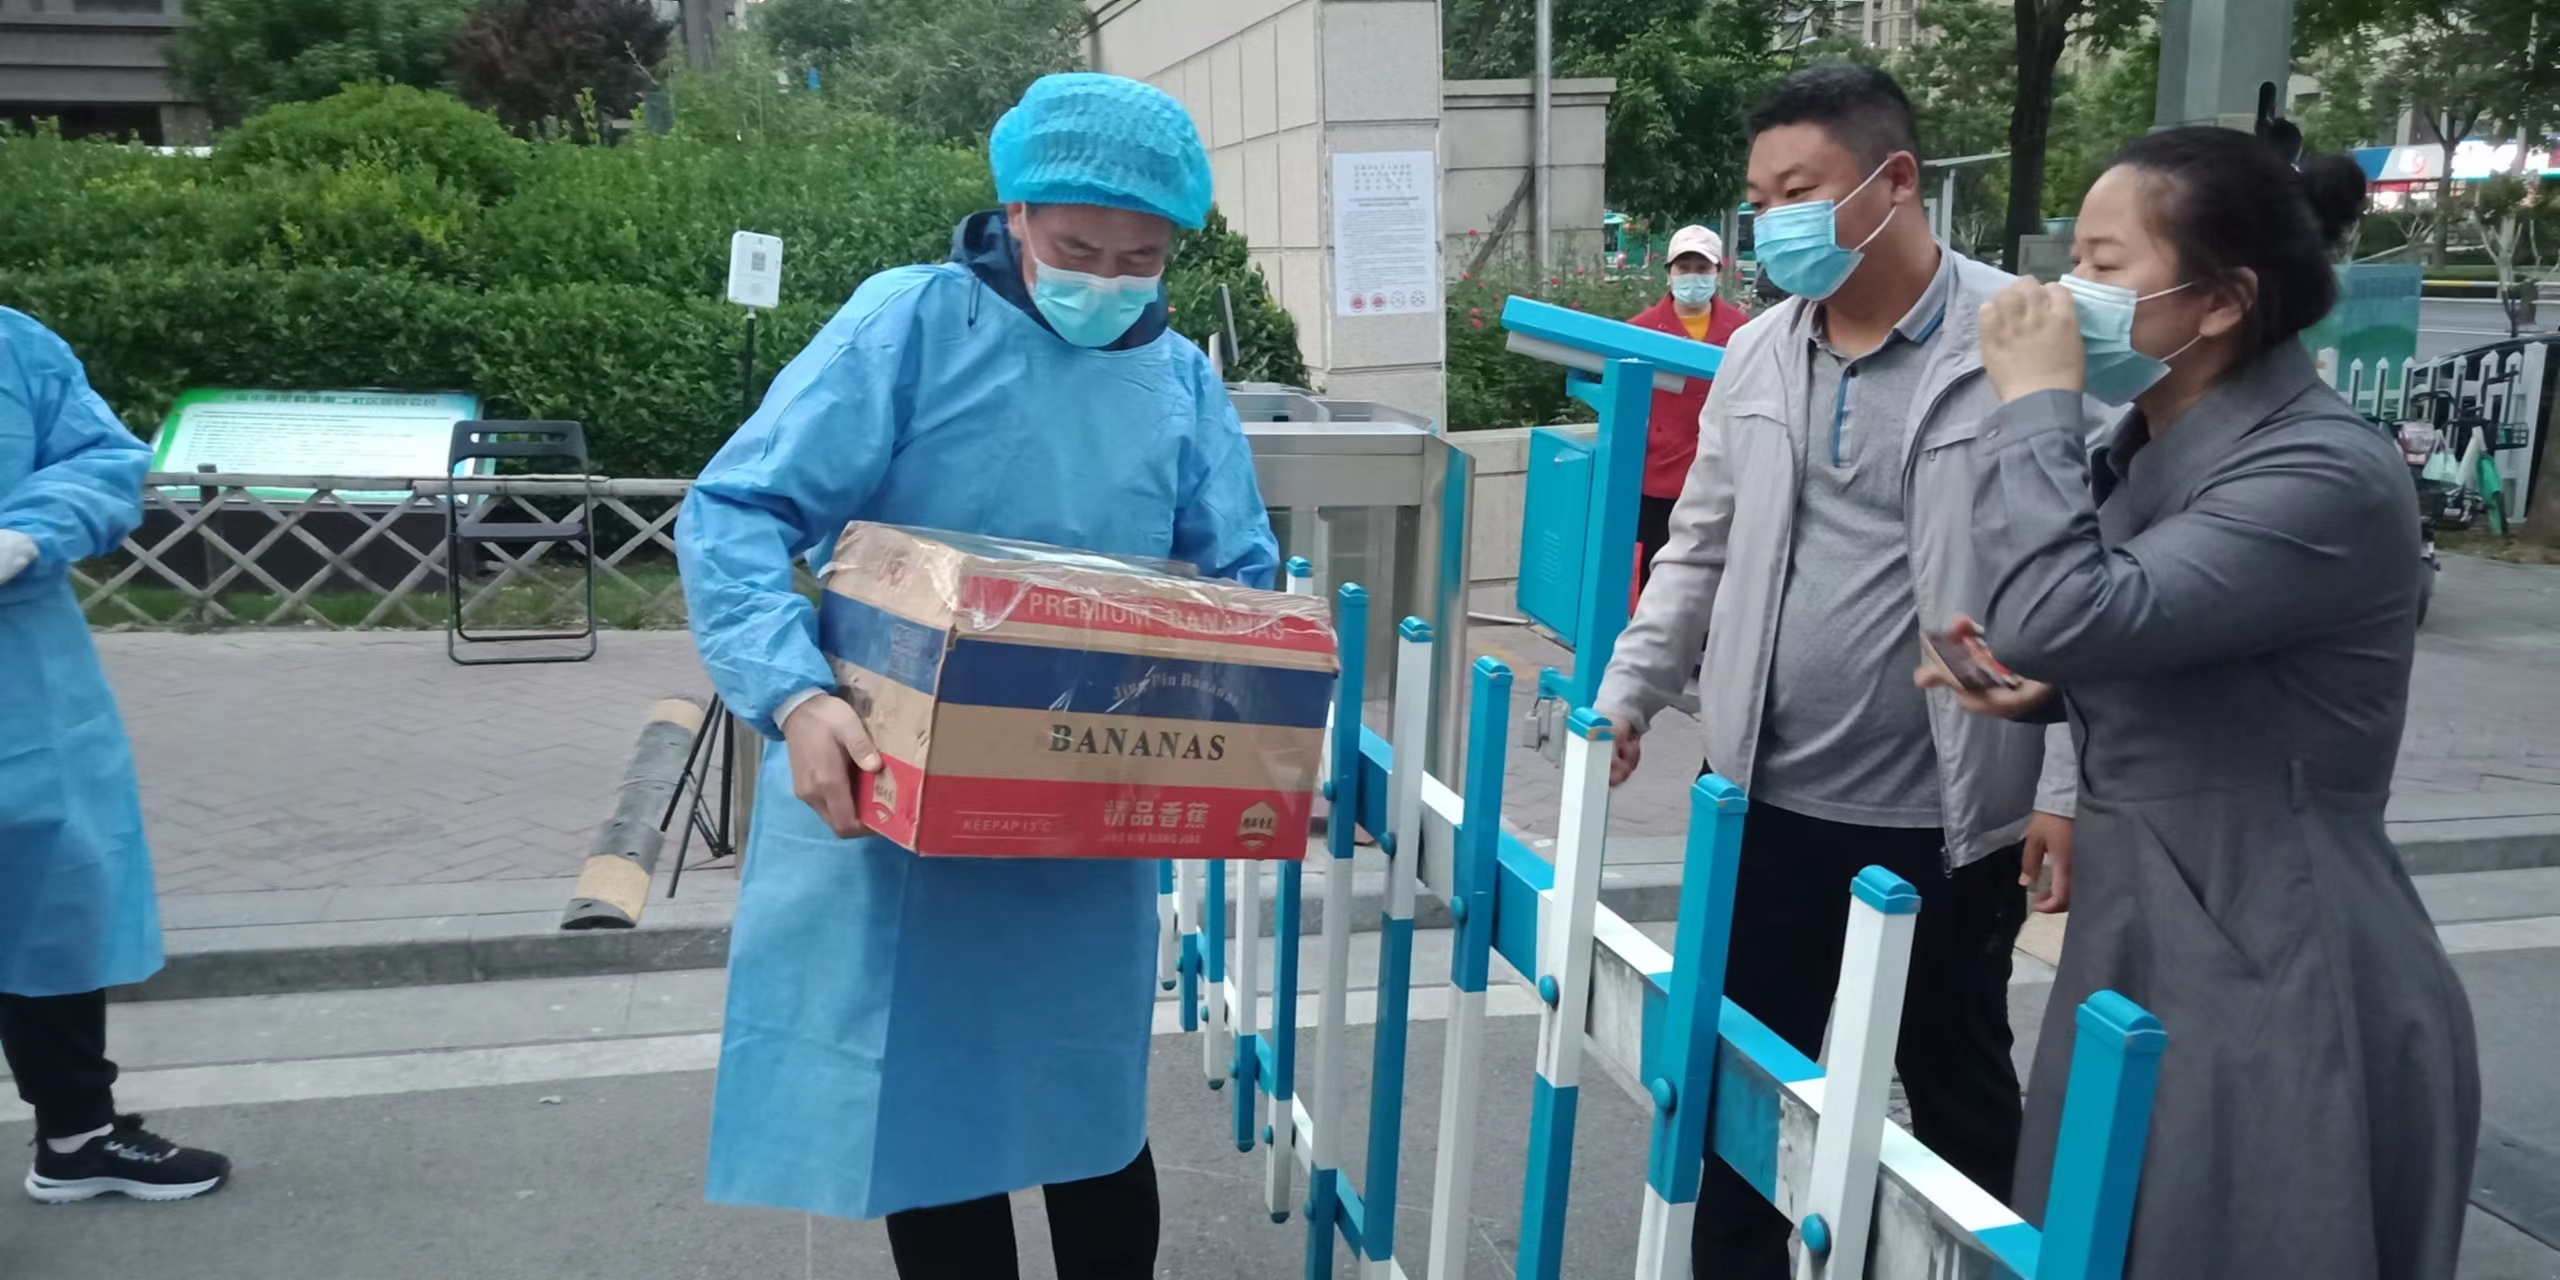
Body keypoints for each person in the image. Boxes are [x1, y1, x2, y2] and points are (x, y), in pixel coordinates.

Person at [676, 73, 1278, 1280]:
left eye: (1141, 258)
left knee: (1088, 1110)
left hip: (1084, 803)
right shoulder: (911, 326)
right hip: (900, 791)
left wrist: (1243, 716)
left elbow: (1239, 584)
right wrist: (795, 695)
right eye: (1077, 250)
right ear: (1014, 216)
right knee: (930, 1118)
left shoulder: (1177, 382)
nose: (1107, 280)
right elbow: (736, 510)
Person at [1929, 128, 2479, 1279]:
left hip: (2275, 951)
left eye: (2104, 263)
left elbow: (2063, 609)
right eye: (2069, 258)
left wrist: (2036, 406)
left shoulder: (2320, 470)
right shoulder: (2155, 444)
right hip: (2149, 922)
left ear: (2223, 300)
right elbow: (2145, 637)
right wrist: (2050, 691)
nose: (2061, 294)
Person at [1589, 64, 2079, 1279]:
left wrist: (2068, 783)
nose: (1772, 224)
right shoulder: (1758, 351)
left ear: (1893, 180)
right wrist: (1629, 690)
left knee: (1959, 1102)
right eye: (1759, 200)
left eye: (1798, 190)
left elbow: (2085, 566)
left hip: (1946, 819)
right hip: (1766, 801)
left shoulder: (2017, 339)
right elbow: (1697, 545)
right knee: (1746, 1099)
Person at [0, 307, 231, 1204]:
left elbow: (101, 458)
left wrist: (28, 532)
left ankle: (77, 1136)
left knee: (49, 906)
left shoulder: (16, 349)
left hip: (23, 676)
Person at [1629, 224, 1751, 593]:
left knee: (1720, 581)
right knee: (1659, 579)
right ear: (1669, 273)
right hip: (1660, 481)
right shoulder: (1640, 331)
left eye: (1702, 268)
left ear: (1718, 273)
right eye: (1684, 268)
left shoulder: (1745, 331)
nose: (1693, 276)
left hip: (1725, 477)